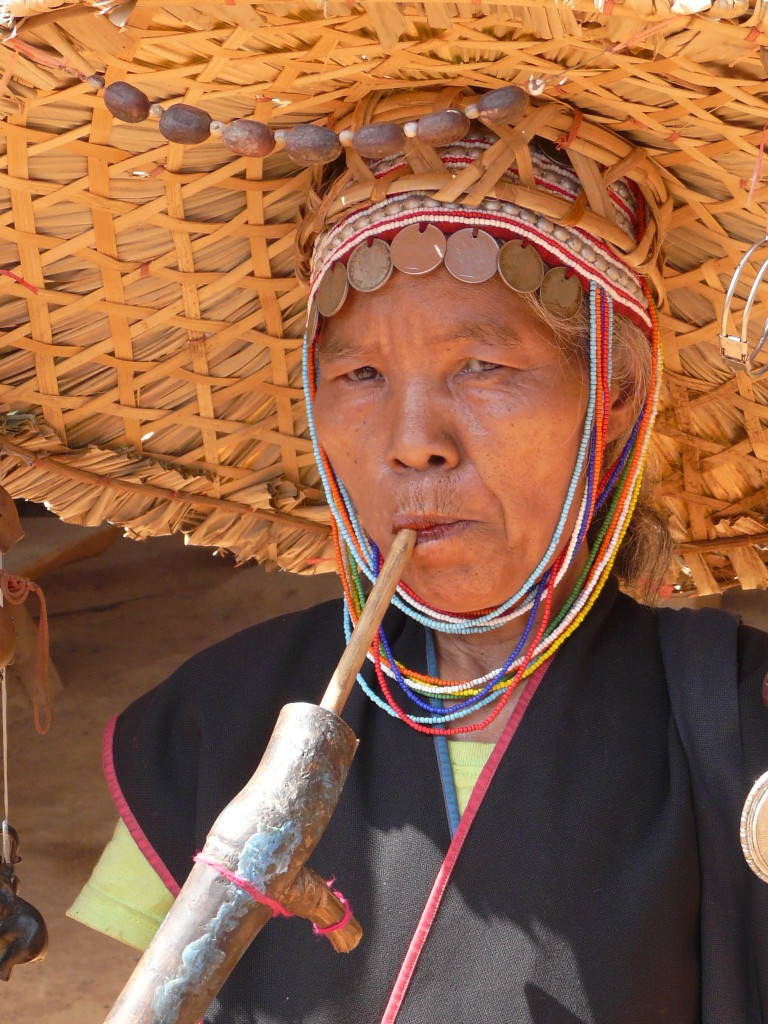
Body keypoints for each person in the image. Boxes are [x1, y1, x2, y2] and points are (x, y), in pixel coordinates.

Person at [70, 88, 768, 1023]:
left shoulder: (736, 721)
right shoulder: (209, 728)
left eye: (482, 367)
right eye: (359, 375)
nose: (413, 443)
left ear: (611, 399)